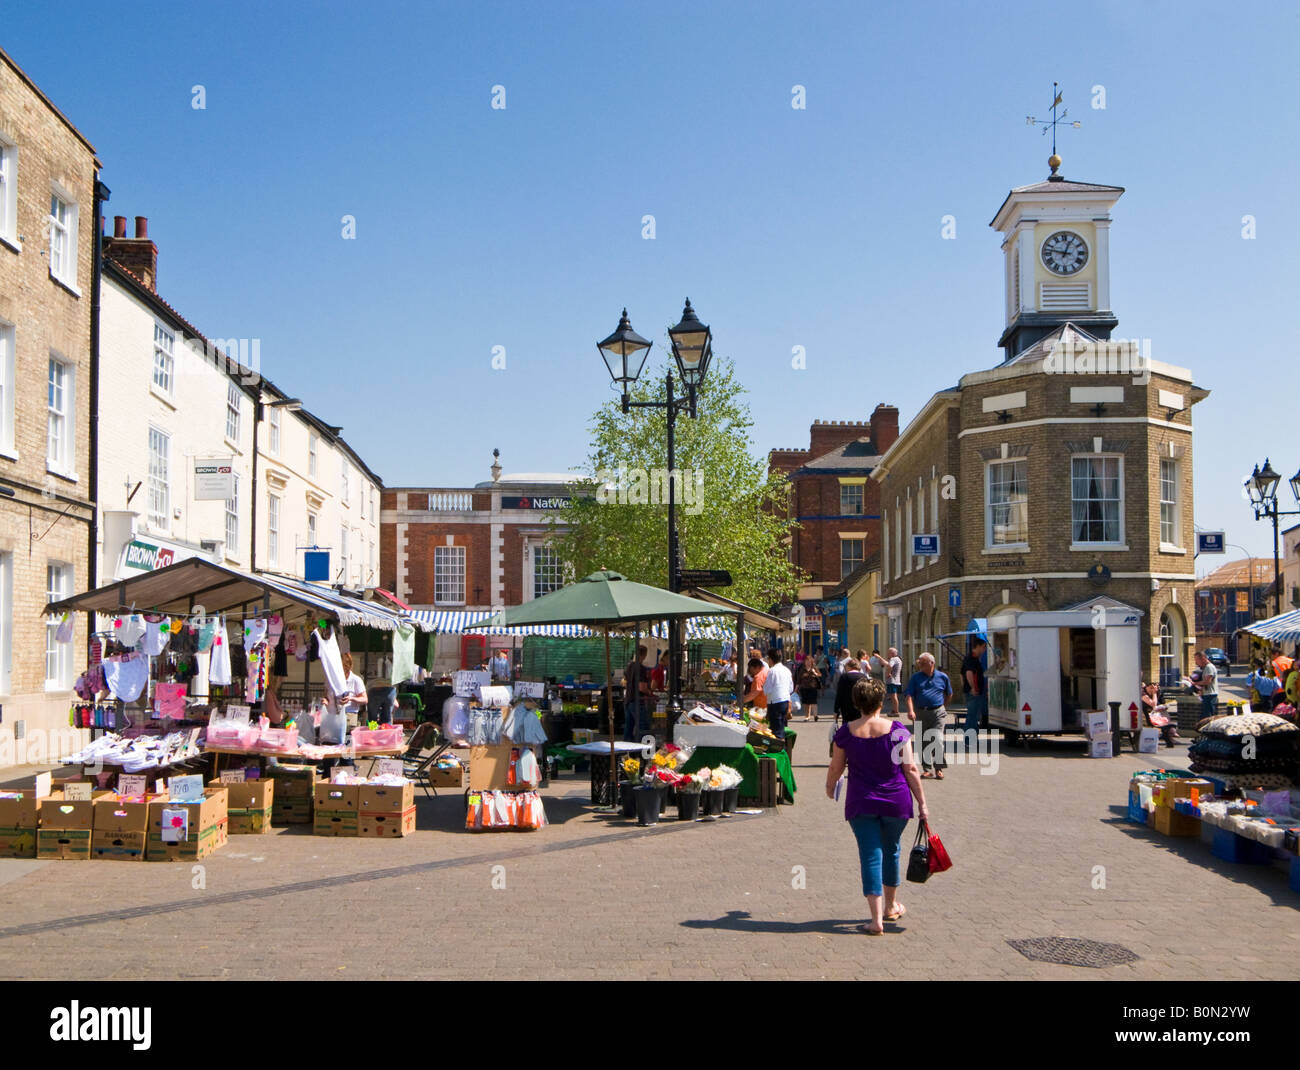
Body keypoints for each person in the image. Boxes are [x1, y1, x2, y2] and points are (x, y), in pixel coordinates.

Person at [826, 675, 929, 936]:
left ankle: (875, 920)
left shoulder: (846, 733)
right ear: (881, 701)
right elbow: (911, 769)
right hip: (896, 801)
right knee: (892, 849)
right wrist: (923, 803)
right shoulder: (897, 731)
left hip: (861, 802)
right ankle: (891, 906)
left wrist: (830, 788)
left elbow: (836, 768)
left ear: (857, 702)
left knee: (870, 855)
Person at [904, 652, 953, 780]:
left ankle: (939, 768)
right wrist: (911, 711)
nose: (920, 666)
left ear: (932, 663)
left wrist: (943, 707)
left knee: (937, 740)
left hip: (938, 712)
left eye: (923, 664)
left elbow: (949, 694)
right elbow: (909, 696)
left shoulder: (943, 677)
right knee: (922, 741)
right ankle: (927, 769)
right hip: (920, 712)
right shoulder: (916, 678)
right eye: (919, 664)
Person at [763, 648, 795, 740]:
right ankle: (783, 748)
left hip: (775, 702)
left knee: (776, 730)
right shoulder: (786, 670)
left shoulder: (772, 671)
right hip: (785, 701)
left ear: (771, 659)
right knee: (782, 727)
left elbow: (767, 689)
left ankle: (778, 750)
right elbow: (791, 688)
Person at [623, 645, 651, 742]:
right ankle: (641, 749)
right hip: (637, 701)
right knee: (643, 727)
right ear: (644, 655)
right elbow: (642, 687)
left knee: (628, 728)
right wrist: (650, 693)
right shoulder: (641, 668)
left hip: (628, 700)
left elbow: (624, 682)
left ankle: (626, 751)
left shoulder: (629, 666)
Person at [961, 639, 987, 737]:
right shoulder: (972, 659)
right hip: (974, 693)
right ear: (978, 646)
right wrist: (972, 688)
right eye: (984, 647)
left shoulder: (971, 658)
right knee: (972, 716)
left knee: (974, 716)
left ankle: (971, 738)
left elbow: (961, 674)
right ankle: (969, 739)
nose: (984, 649)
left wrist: (965, 686)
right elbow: (968, 673)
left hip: (972, 692)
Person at [1140, 682, 1180, 746]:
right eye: (1151, 688)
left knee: (1168, 721)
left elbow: (1157, 704)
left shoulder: (1155, 693)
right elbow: (1153, 704)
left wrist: (1163, 707)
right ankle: (1170, 736)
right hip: (1146, 718)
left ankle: (1170, 736)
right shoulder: (1143, 693)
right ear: (1148, 687)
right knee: (1168, 726)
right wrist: (1154, 693)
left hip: (1153, 716)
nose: (1152, 691)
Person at [338, 652, 368, 731]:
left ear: (347, 667)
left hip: (350, 715)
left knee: (347, 739)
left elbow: (365, 699)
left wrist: (351, 698)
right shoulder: (336, 679)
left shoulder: (356, 680)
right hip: (336, 714)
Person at [1192, 650, 1219, 719]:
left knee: (1208, 716)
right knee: (1205, 716)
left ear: (1203, 658)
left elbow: (1207, 682)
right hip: (1206, 694)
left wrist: (1194, 683)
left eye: (1197, 660)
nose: (1196, 662)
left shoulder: (1209, 667)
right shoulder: (1206, 668)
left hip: (1210, 695)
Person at [797, 654, 822, 723]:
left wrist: (815, 673)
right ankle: (807, 716)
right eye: (806, 661)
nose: (807, 662)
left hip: (813, 687)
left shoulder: (814, 668)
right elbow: (798, 679)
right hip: (804, 688)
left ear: (811, 662)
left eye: (809, 661)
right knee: (806, 703)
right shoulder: (802, 669)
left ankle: (815, 715)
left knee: (813, 702)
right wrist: (796, 689)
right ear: (804, 662)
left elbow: (820, 675)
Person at [884, 647, 904, 715]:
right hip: (897, 680)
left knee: (893, 696)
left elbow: (889, 665)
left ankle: (895, 711)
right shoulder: (898, 659)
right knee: (893, 696)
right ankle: (894, 709)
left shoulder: (893, 659)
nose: (887, 654)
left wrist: (888, 673)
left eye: (888, 653)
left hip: (892, 680)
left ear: (892, 653)